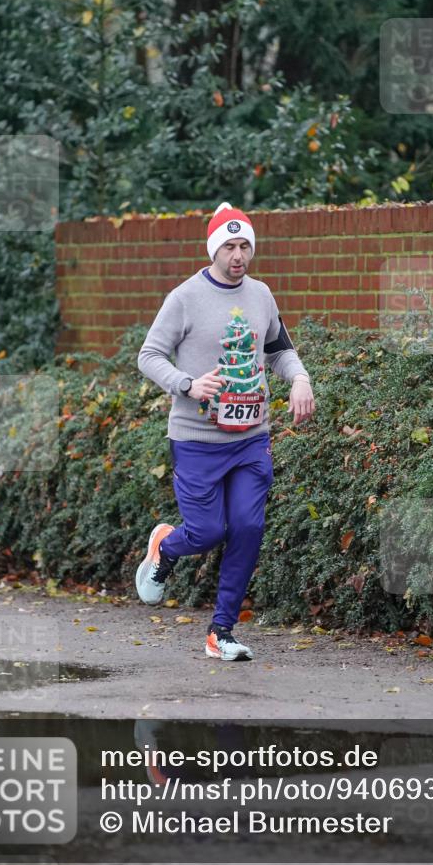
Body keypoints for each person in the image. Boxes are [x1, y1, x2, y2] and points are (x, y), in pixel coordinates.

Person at [136, 202, 315, 661]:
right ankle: (166, 547)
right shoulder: (185, 297)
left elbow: (279, 350)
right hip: (197, 438)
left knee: (249, 526)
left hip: (251, 436)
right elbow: (149, 355)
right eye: (230, 246)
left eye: (245, 246)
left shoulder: (261, 295)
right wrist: (187, 384)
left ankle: (222, 631)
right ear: (214, 249)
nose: (238, 255)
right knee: (207, 530)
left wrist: (300, 378)